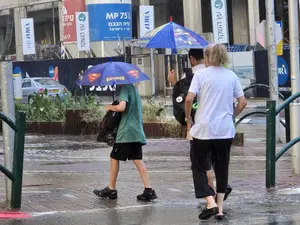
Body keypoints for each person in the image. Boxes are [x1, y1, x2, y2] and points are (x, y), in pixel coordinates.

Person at [185, 44, 247, 220]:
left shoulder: (200, 75)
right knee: (222, 168)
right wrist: (231, 115)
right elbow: (243, 102)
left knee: (198, 166)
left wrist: (189, 118)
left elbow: (189, 98)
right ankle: (219, 209)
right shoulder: (232, 76)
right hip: (225, 131)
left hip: (203, 130)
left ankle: (210, 202)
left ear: (207, 57)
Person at [168, 49, 232, 200]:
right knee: (219, 161)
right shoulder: (223, 73)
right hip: (222, 125)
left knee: (203, 164)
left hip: (201, 125)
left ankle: (211, 199)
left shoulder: (193, 75)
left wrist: (174, 83)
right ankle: (221, 190)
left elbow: (185, 99)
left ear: (192, 59)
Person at [93, 84, 157, 202]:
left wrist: (110, 107)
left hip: (126, 133)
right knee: (138, 159)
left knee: (114, 157)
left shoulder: (125, 89)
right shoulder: (134, 90)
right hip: (136, 132)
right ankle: (148, 190)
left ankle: (111, 189)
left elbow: (122, 107)